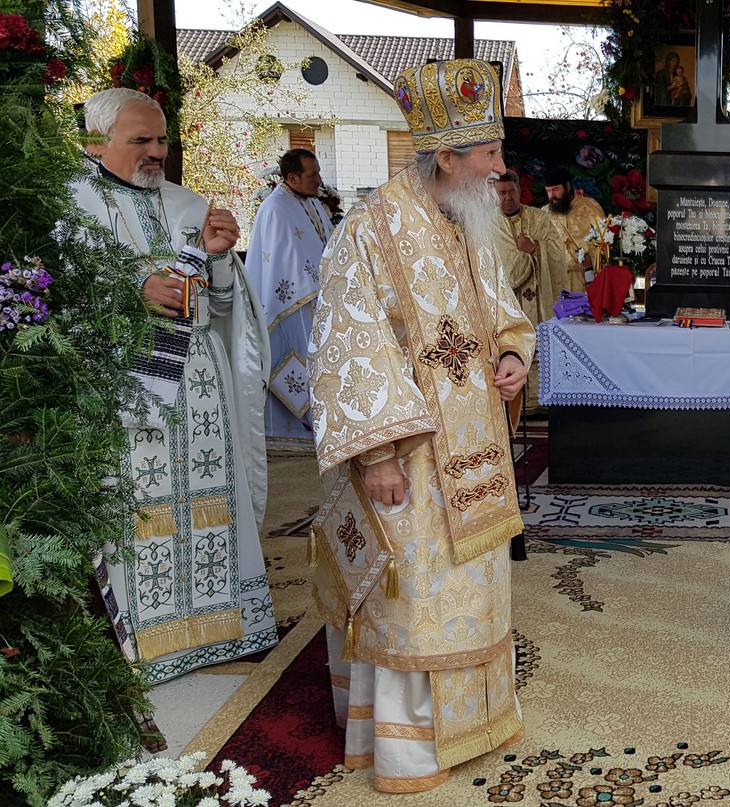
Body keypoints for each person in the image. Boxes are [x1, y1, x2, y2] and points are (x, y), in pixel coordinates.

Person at [308, 59, 533, 792]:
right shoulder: (368, 230)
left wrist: (509, 352)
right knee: (417, 593)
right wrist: (375, 453)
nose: (502, 169)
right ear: (449, 157)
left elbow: (501, 308)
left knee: (474, 585)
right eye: (490, 155)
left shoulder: (467, 219)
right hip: (411, 452)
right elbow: (351, 347)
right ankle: (408, 748)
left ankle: (480, 718)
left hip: (477, 450)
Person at [70, 88, 274, 683]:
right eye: (141, 141)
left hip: (202, 385)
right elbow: (50, 306)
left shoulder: (190, 205)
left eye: (161, 140)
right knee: (141, 509)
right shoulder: (69, 208)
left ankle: (225, 624)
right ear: (97, 143)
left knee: (214, 500)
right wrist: (129, 296)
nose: (157, 152)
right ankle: (151, 638)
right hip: (130, 389)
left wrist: (216, 257)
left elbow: (227, 302)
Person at [245, 148, 335, 451]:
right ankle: (296, 431)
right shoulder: (275, 208)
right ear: (293, 177)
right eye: (313, 175)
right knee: (297, 361)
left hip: (318, 299)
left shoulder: (314, 204)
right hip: (291, 304)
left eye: (319, 173)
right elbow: (282, 263)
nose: (319, 180)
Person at [494, 169, 568, 413]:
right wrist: (520, 257)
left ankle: (541, 400)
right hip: (506, 301)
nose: (507, 197)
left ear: (519, 191)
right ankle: (516, 404)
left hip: (539, 299)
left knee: (540, 345)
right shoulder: (488, 223)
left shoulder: (539, 218)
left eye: (512, 191)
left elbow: (558, 253)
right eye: (502, 192)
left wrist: (535, 248)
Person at [542, 166, 606, 291]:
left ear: (567, 186)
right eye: (548, 191)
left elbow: (604, 241)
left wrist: (591, 260)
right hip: (554, 278)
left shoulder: (590, 206)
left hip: (583, 277)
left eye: (555, 189)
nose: (552, 195)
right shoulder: (544, 213)